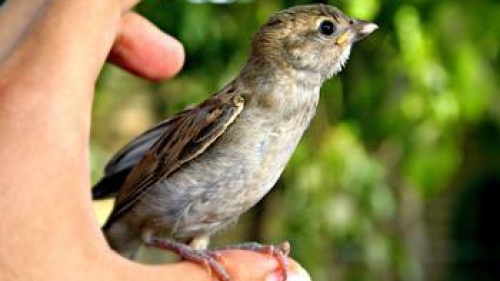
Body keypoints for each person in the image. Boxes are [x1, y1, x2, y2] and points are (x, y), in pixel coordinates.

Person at [0, 1, 310, 280]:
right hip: (138, 222)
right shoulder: (230, 108)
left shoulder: (299, 111)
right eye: (327, 30)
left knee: (208, 251)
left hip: (192, 230)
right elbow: (152, 166)